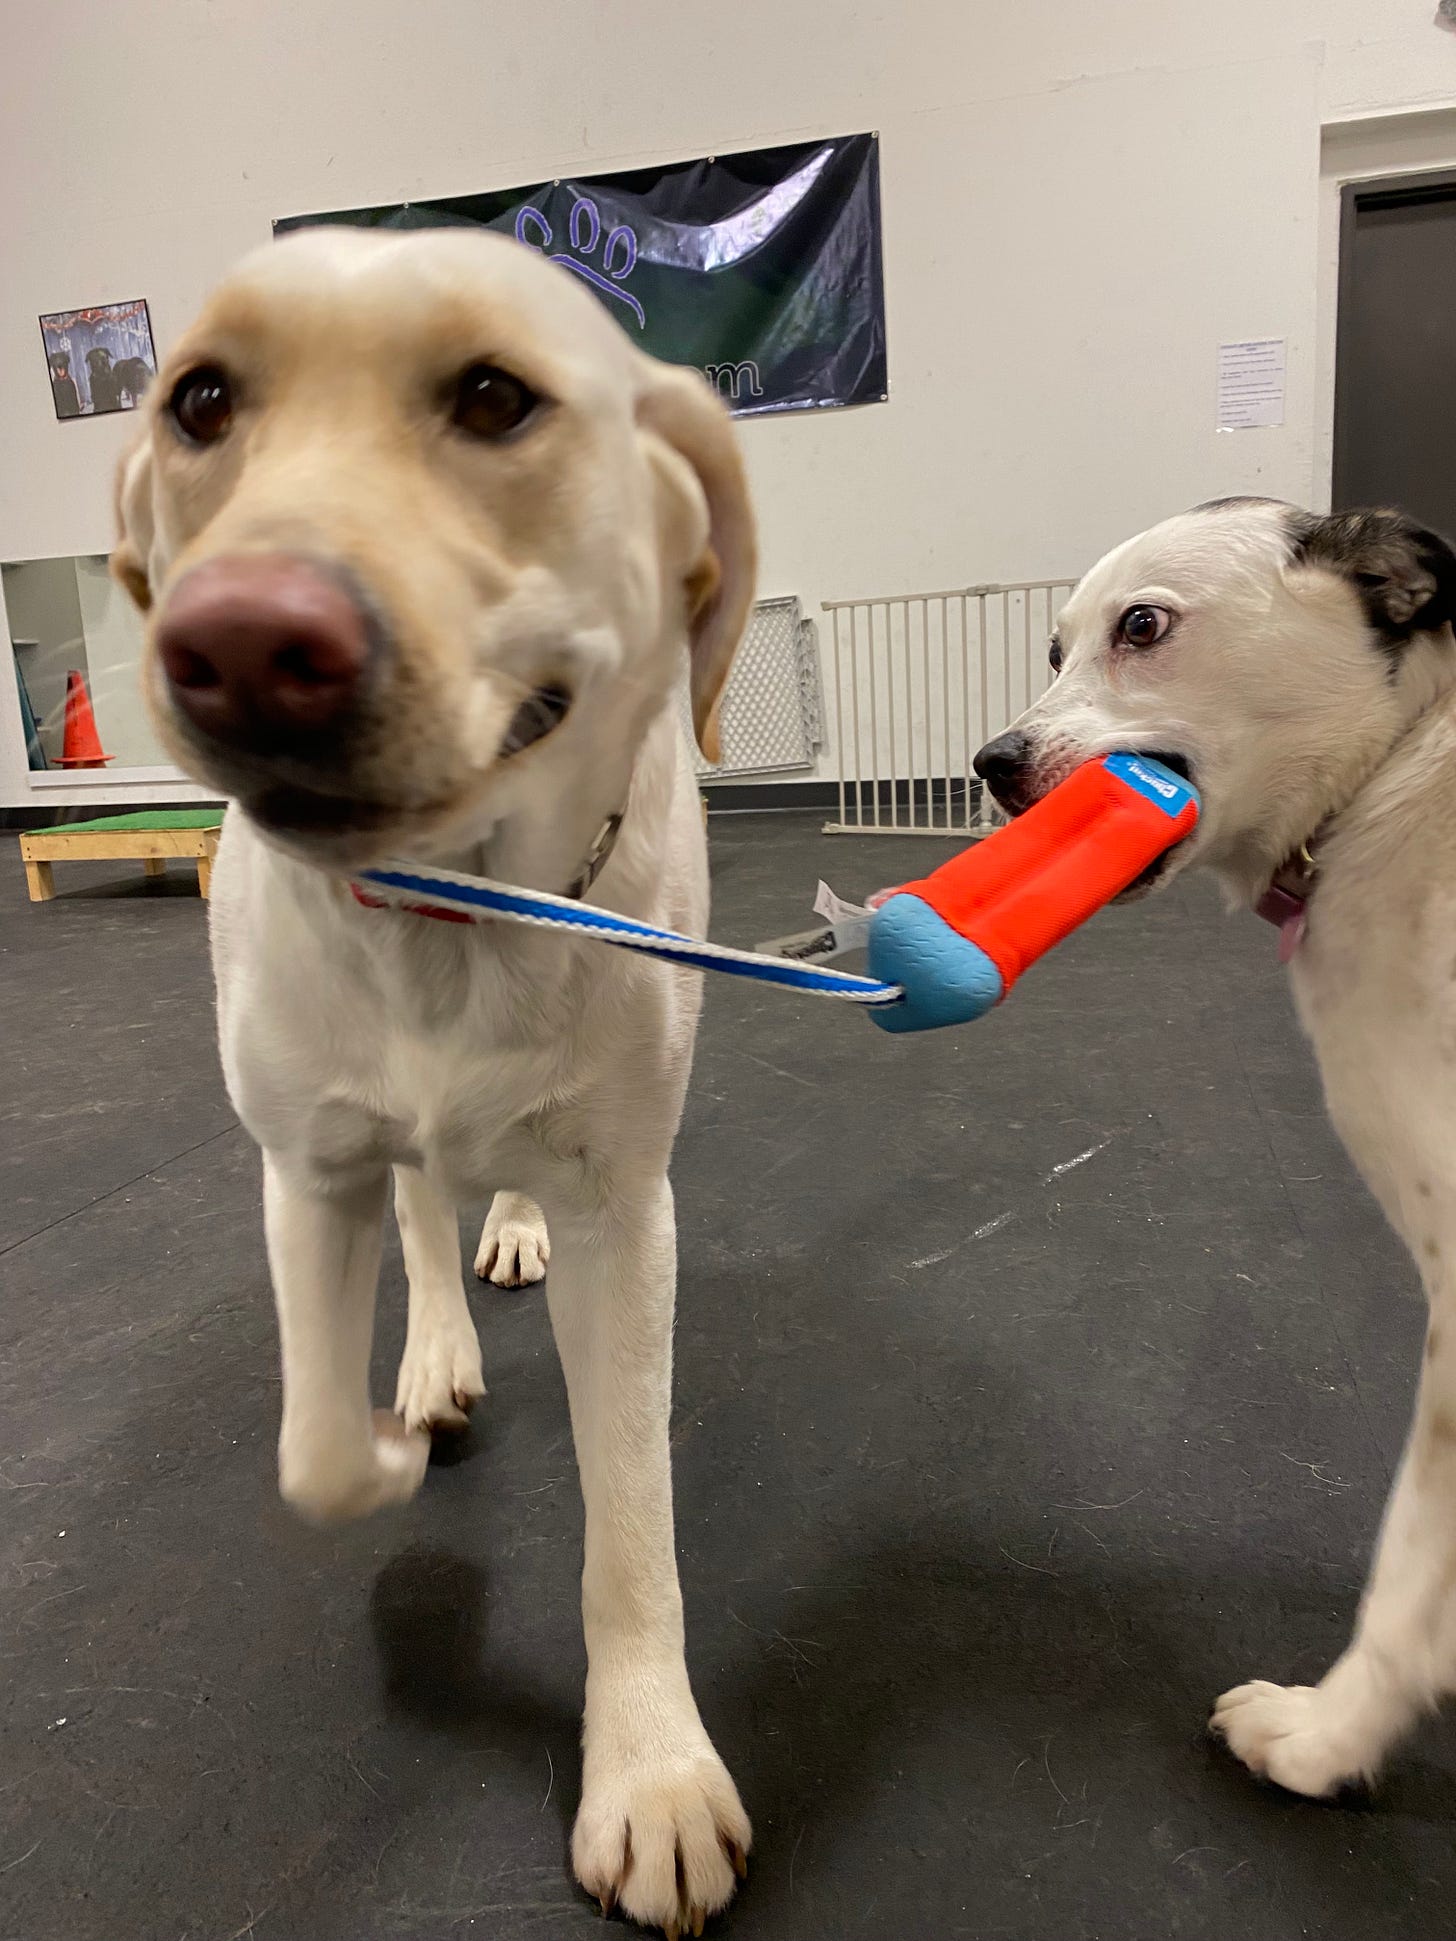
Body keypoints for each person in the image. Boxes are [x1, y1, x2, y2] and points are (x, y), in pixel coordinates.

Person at [49, 353, 81, 417]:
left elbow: (75, 405)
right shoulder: (55, 386)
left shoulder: (71, 383)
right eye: (57, 367)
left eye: (63, 366)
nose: (60, 370)